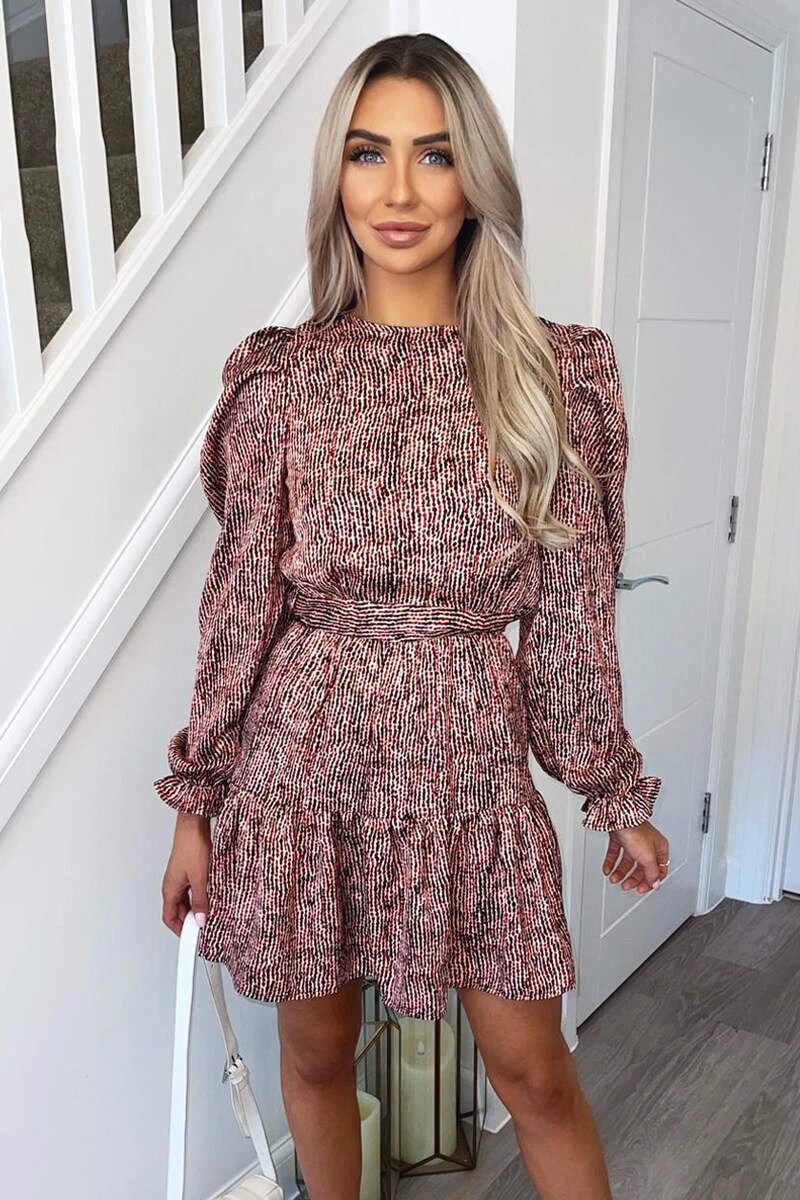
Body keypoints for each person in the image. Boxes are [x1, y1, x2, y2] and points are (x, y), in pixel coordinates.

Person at [156, 31, 670, 1200]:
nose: (397, 190)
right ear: (334, 179)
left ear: (473, 180)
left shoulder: (557, 377)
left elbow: (571, 622)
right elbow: (240, 608)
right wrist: (196, 805)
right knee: (315, 1057)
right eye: (366, 153)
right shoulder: (281, 377)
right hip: (302, 767)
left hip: (470, 773)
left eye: (433, 156)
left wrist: (611, 793)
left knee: (534, 1075)